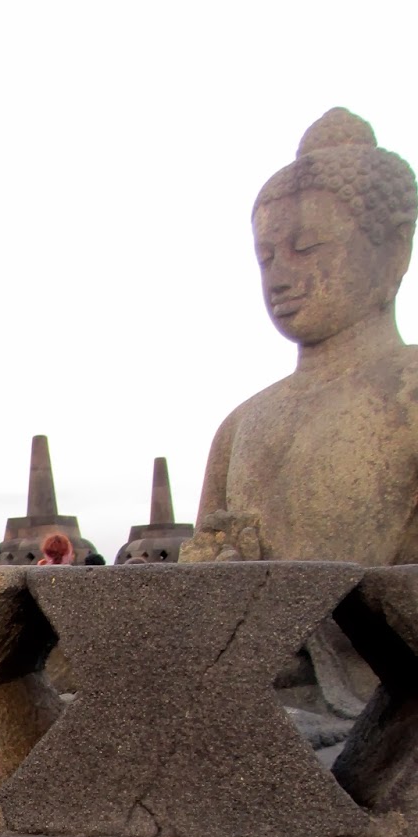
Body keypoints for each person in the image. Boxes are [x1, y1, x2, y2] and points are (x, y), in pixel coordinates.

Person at [193, 108, 418, 566]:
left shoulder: (409, 392)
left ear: (396, 250)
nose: (279, 278)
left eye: (306, 248)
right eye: (267, 257)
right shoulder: (238, 427)